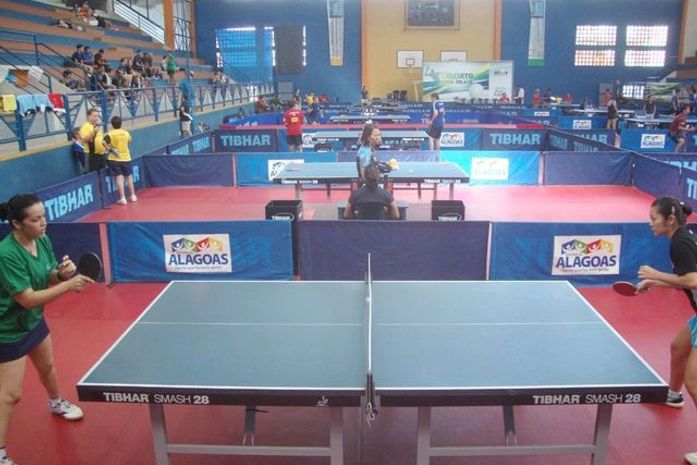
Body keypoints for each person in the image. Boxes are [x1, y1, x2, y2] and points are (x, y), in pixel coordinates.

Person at [0, 194, 93, 465]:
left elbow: (48, 275)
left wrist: (62, 274)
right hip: (8, 329)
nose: (43, 223)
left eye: (44, 216)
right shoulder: (6, 254)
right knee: (11, 395)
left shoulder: (41, 239)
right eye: (36, 219)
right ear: (17, 224)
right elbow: (27, 299)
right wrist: (69, 284)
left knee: (48, 366)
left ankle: (56, 402)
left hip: (33, 321)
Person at [635, 196, 697, 464]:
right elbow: (687, 280)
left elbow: (693, 280)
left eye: (654, 218)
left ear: (670, 219)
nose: (650, 223)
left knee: (694, 380)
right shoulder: (683, 236)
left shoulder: (679, 243)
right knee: (678, 348)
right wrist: (656, 283)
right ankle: (672, 395)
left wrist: (656, 274)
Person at [105, 116, 137, 205]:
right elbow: (129, 140)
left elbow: (104, 142)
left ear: (112, 124)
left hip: (114, 159)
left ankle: (123, 198)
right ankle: (133, 196)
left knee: (119, 178)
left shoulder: (110, 134)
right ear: (121, 123)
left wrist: (109, 148)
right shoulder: (126, 133)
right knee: (129, 177)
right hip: (126, 158)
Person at [79, 108, 106, 172]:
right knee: (92, 174)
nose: (96, 118)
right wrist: (94, 132)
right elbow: (84, 140)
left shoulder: (96, 125)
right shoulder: (85, 127)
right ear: (89, 116)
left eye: (97, 116)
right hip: (91, 155)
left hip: (101, 154)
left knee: (103, 173)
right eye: (94, 116)